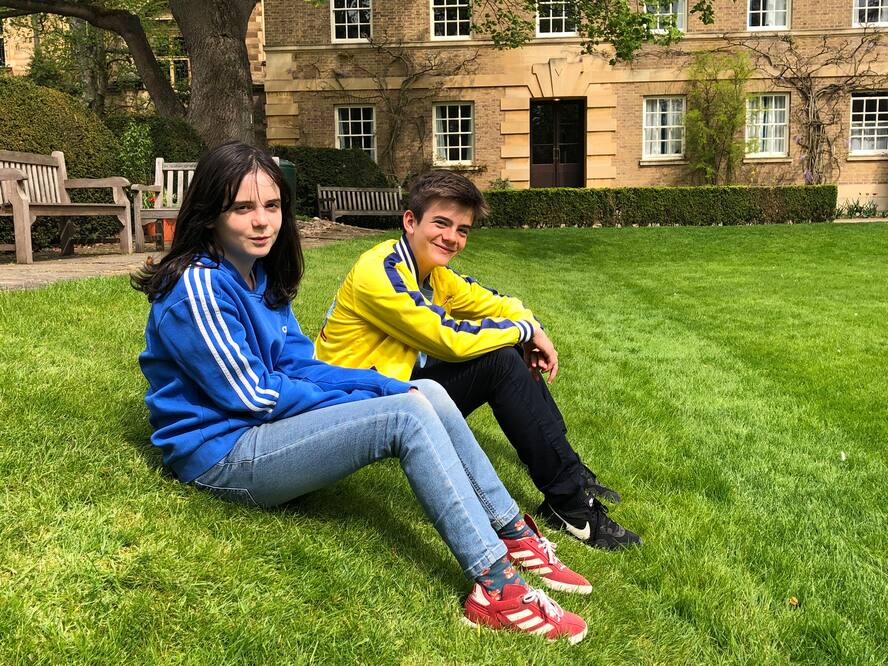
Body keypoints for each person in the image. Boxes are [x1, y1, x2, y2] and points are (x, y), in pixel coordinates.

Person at [131, 141, 593, 644]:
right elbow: (254, 396)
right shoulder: (198, 286)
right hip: (222, 454)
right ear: (210, 213)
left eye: (272, 206)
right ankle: (497, 588)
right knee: (404, 416)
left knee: (425, 394)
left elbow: (297, 364)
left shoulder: (255, 273)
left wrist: (389, 388)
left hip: (264, 430)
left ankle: (512, 532)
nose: (262, 221)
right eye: (243, 207)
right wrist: (371, 403)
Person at [314, 170, 641, 550]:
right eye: (441, 223)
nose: (451, 237)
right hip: (355, 406)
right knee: (501, 358)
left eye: (462, 229)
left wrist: (530, 328)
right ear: (410, 221)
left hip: (396, 384)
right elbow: (448, 340)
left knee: (510, 349)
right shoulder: (380, 270)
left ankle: (569, 472)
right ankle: (572, 507)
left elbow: (499, 302)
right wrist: (523, 332)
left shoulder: (435, 275)